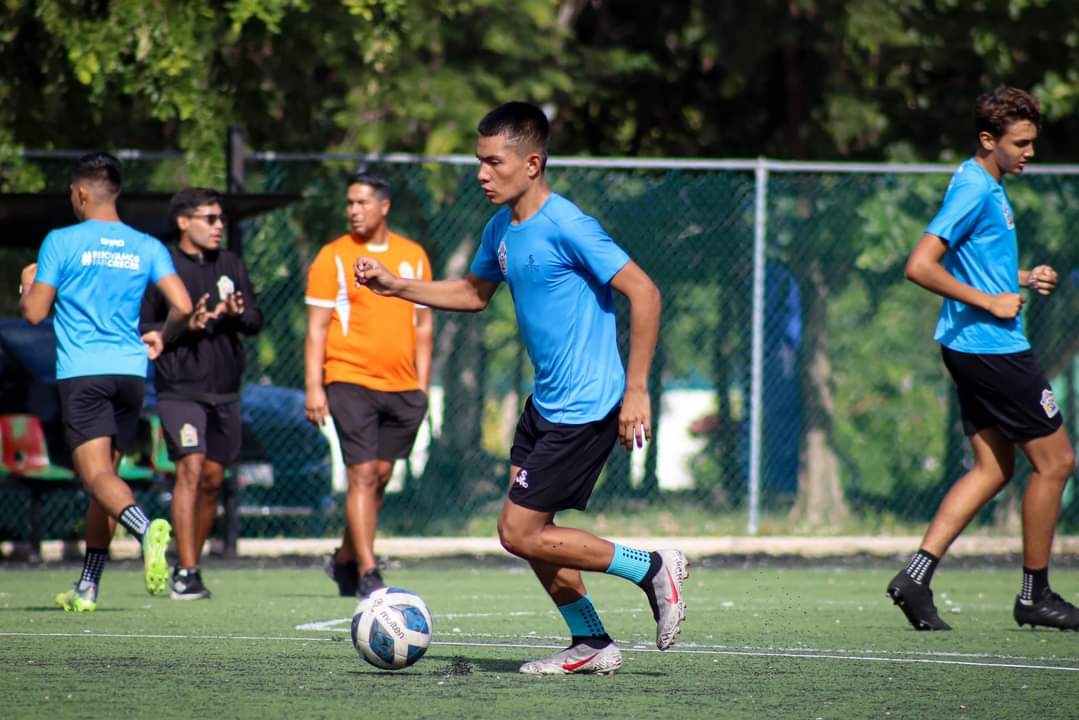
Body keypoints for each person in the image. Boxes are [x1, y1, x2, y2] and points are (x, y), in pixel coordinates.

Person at [354, 101, 688, 675]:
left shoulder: (568, 224)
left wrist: (637, 391)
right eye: (478, 162)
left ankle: (652, 566)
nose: (482, 174)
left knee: (518, 529)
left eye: (493, 162)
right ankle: (591, 644)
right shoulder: (499, 228)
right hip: (545, 404)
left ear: (532, 163)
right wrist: (395, 286)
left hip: (587, 405)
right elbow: (473, 293)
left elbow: (646, 293)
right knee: (530, 533)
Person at [888, 86, 1078, 631]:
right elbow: (920, 265)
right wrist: (991, 300)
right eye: (1020, 143)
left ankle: (916, 576)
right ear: (988, 140)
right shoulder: (974, 189)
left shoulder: (985, 183)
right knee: (1058, 462)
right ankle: (1034, 594)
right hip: (993, 349)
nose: (1030, 153)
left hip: (970, 347)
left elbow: (973, 265)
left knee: (994, 467)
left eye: (1033, 142)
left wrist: (1018, 279)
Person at [18, 151, 193, 612]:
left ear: (80, 193)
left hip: (84, 373)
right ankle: (87, 586)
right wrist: (161, 334)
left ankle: (144, 529)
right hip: (131, 375)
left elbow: (35, 313)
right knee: (106, 481)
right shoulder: (145, 245)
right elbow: (184, 306)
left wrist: (25, 285)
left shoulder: (61, 241)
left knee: (95, 477)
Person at [304, 172, 433, 599]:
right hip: (348, 379)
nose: (354, 211)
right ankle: (368, 569)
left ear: (384, 206)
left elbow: (424, 325)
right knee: (360, 474)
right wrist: (314, 387)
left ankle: (344, 558)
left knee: (379, 475)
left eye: (362, 202)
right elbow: (317, 329)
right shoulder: (333, 256)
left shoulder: (412, 255)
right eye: (350, 203)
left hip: (403, 386)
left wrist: (423, 385)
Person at [140, 187, 264, 600]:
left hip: (225, 391)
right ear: (183, 222)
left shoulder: (229, 263)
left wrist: (234, 313)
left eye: (221, 219)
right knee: (190, 467)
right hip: (179, 389)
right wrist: (184, 325)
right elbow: (146, 330)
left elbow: (255, 320)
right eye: (209, 218)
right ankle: (189, 572)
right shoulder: (163, 266)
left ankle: (187, 559)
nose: (218, 226)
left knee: (212, 479)